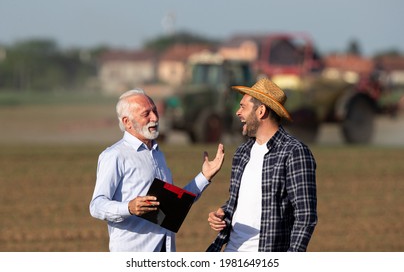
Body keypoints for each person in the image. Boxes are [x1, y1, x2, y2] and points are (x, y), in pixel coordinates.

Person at [89, 88, 224, 252]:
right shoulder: (114, 155)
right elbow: (96, 205)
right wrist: (129, 208)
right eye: (146, 114)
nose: (154, 117)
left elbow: (174, 204)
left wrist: (204, 176)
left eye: (154, 111)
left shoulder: (157, 154)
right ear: (127, 122)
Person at [206, 78, 317, 252]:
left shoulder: (294, 152)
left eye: (243, 107)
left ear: (261, 111)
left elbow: (305, 216)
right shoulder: (242, 152)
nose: (237, 112)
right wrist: (223, 214)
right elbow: (240, 202)